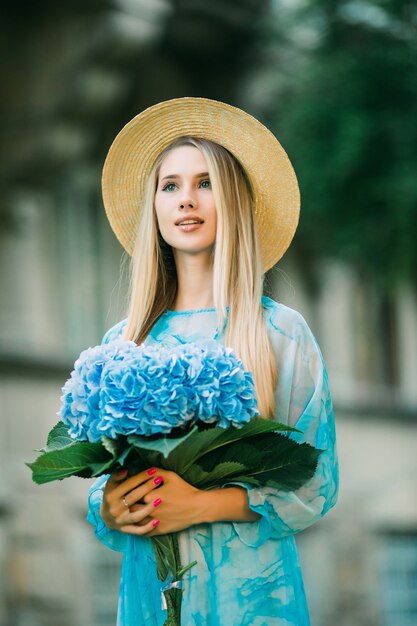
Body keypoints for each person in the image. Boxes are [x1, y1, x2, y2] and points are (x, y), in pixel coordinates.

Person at [87, 97, 339, 626]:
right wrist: (108, 506)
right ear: (153, 208)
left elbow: (315, 483)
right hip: (150, 593)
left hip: (252, 595)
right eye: (170, 185)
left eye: (205, 183)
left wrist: (200, 505)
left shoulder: (279, 332)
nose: (186, 200)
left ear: (234, 202)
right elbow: (105, 477)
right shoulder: (123, 342)